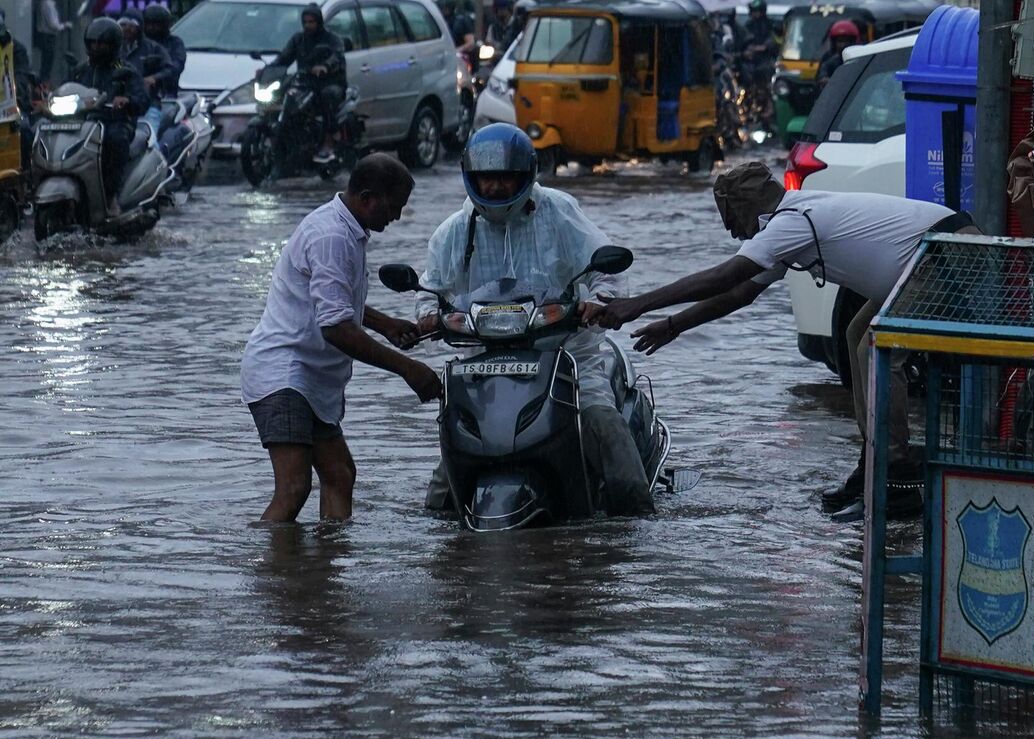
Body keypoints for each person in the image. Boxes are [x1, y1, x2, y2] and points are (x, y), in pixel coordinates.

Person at [594, 162, 979, 522]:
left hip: (947, 253)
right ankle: (873, 466)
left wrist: (638, 305)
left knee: (876, 348)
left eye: (730, 219)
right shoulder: (794, 218)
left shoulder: (789, 223)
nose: (731, 232)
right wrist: (674, 324)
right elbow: (741, 293)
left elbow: (726, 276)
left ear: (747, 207)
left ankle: (897, 481)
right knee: (856, 335)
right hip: (928, 255)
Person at [419, 124, 656, 515]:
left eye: (504, 178)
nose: (494, 188)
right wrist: (429, 317)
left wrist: (599, 302)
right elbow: (430, 289)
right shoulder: (453, 232)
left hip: (569, 358)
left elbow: (607, 270)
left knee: (604, 424)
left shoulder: (559, 212)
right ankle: (439, 524)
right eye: (486, 179)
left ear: (525, 175)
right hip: (485, 363)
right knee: (449, 463)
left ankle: (638, 520)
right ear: (471, 178)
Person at [240, 155, 441, 523]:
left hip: (308, 378)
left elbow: (334, 301)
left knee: (339, 476)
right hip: (285, 374)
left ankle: (326, 572)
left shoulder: (345, 229)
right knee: (294, 488)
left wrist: (385, 324)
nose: (396, 218)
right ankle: (270, 575)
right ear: (367, 198)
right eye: (394, 207)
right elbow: (335, 327)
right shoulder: (332, 237)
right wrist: (408, 369)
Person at [66, 17, 154, 214]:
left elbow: (142, 98)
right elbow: (66, 90)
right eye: (93, 43)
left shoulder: (124, 70)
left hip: (115, 122)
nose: (96, 48)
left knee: (115, 141)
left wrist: (127, 101)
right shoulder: (81, 71)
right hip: (83, 124)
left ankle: (111, 195)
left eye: (102, 44)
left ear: (113, 45)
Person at [269, 4, 349, 163]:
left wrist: (325, 67)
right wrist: (268, 69)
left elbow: (337, 57)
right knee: (288, 98)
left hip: (330, 82)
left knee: (327, 97)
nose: (308, 25)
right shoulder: (298, 39)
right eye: (305, 22)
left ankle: (329, 141)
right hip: (306, 83)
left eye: (311, 22)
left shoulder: (332, 39)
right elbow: (284, 58)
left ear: (319, 22)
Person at [118, 14, 174, 98]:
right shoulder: (113, 47)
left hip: (146, 97)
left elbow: (169, 69)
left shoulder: (153, 47)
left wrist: (154, 78)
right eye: (123, 25)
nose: (127, 29)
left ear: (140, 28)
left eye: (132, 25)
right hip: (118, 96)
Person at [141, 5, 187, 99]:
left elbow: (177, 65)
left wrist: (156, 77)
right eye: (148, 24)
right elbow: (123, 61)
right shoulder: (138, 43)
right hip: (138, 95)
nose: (151, 28)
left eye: (155, 25)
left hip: (166, 95)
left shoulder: (174, 43)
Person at [734, 0, 778, 92]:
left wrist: (765, 46)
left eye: (757, 11)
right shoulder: (748, 25)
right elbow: (743, 41)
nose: (755, 14)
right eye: (753, 11)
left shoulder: (771, 24)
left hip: (767, 58)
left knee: (767, 70)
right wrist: (746, 50)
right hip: (750, 60)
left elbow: (775, 39)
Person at [36, 0, 74, 83]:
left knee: (46, 62)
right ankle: (44, 83)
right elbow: (53, 24)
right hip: (48, 36)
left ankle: (44, 82)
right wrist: (64, 26)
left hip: (45, 35)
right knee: (47, 63)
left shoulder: (45, 3)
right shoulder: (48, 4)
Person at [817, 20, 860, 86]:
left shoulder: (861, 60)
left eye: (846, 41)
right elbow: (822, 76)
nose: (843, 45)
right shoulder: (828, 61)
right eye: (840, 41)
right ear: (834, 43)